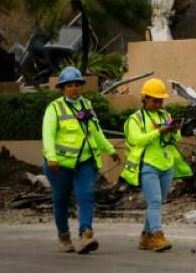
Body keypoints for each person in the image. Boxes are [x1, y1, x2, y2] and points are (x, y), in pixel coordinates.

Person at [41, 66, 120, 254]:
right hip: (59, 165)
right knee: (61, 200)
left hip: (85, 162)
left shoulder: (87, 105)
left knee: (86, 195)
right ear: (62, 88)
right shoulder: (54, 108)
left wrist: (109, 149)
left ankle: (86, 234)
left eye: (77, 84)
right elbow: (48, 135)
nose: (74, 88)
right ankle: (64, 237)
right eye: (69, 85)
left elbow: (95, 130)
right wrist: (51, 158)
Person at [121, 78, 192, 252]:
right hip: (148, 165)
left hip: (166, 164)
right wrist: (158, 131)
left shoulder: (164, 115)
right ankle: (158, 236)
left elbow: (176, 138)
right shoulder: (135, 119)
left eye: (161, 100)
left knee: (157, 203)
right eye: (155, 100)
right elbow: (137, 139)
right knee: (154, 201)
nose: (158, 103)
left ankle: (145, 237)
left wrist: (172, 131)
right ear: (145, 98)